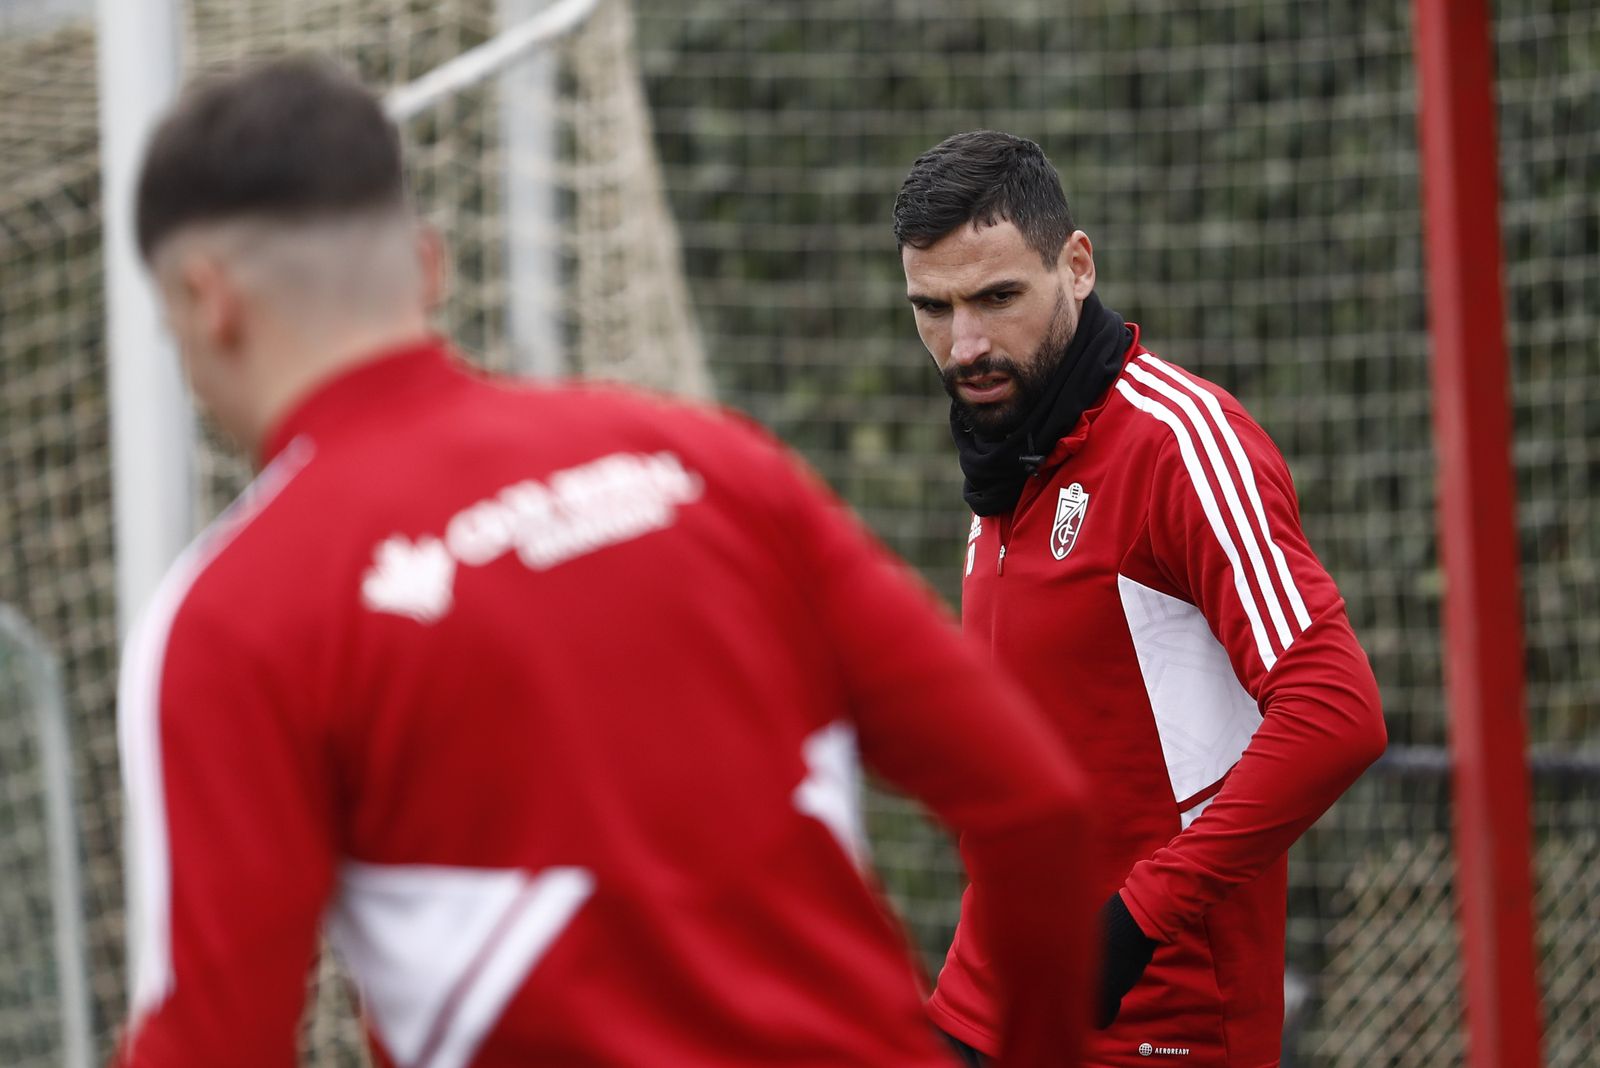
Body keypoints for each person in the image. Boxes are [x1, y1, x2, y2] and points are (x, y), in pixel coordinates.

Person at [115, 62, 1096, 1068]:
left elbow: (214, 1042)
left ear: (206, 300)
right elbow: (1035, 804)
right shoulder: (704, 460)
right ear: (425, 265)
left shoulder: (235, 614)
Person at [893, 130, 1388, 1068]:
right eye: (933, 308)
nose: (964, 344)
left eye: (998, 298)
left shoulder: (1182, 445)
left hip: (1160, 1023)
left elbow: (1338, 711)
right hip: (984, 1001)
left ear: (1076, 267)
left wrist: (1136, 917)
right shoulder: (1007, 451)